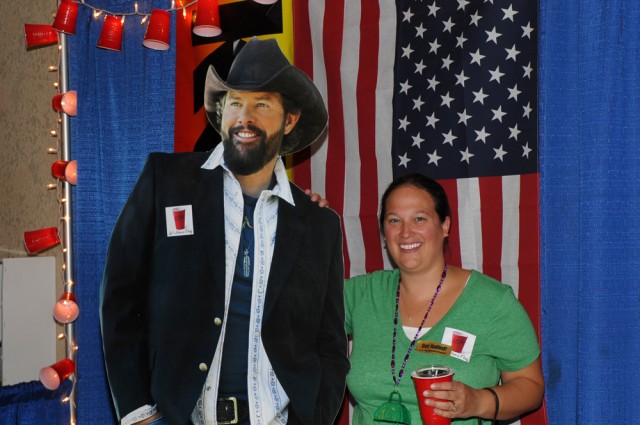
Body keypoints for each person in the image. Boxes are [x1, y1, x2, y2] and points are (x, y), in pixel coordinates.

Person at [100, 37, 349, 425]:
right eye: (235, 102)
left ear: (289, 120)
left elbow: (330, 343)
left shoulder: (319, 225)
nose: (244, 117)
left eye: (261, 104)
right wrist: (139, 414)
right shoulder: (166, 181)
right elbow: (119, 297)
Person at [343, 173, 544, 424]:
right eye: (394, 220)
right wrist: (305, 222)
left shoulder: (492, 302)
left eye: (419, 219)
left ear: (445, 226)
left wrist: (478, 401)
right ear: (384, 231)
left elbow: (531, 387)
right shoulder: (360, 294)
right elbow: (299, 308)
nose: (405, 232)